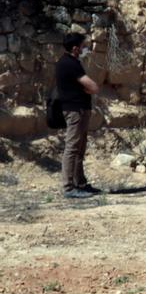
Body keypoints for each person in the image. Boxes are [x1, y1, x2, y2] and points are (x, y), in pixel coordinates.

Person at [56, 32, 100, 198]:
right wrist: (87, 89)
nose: (86, 49)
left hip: (78, 109)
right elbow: (93, 87)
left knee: (79, 148)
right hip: (75, 111)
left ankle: (80, 183)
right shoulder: (70, 64)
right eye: (83, 46)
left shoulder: (67, 62)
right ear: (75, 48)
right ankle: (69, 187)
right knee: (73, 148)